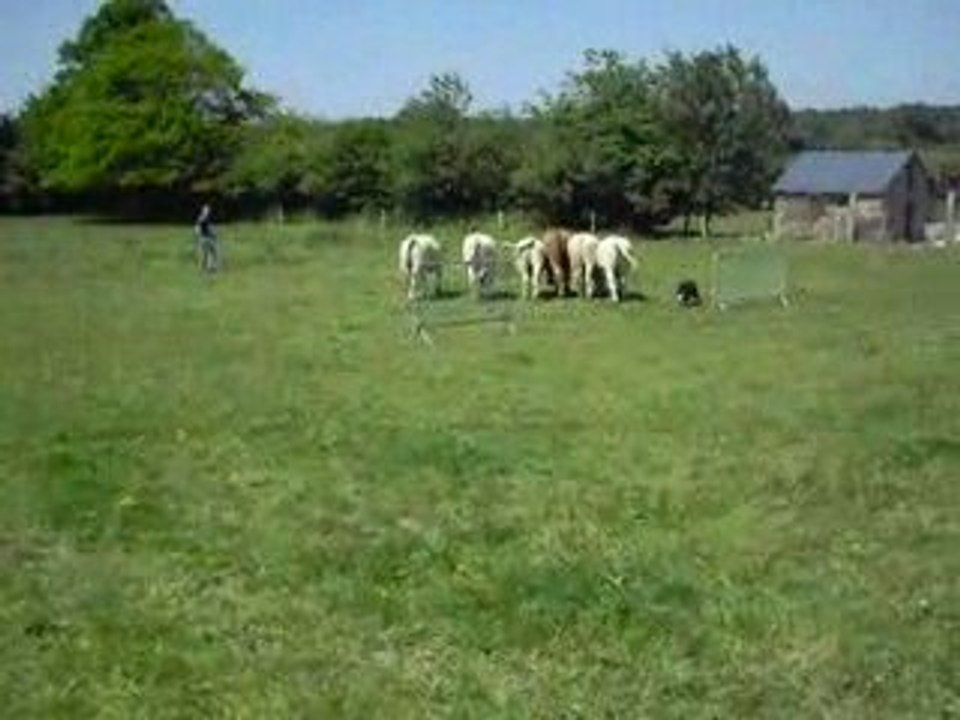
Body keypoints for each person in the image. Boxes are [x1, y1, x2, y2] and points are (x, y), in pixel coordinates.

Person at [195, 203, 219, 273]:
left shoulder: (200, 218)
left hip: (203, 238)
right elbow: (210, 229)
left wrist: (198, 236)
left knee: (206, 254)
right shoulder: (206, 219)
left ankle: (204, 268)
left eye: (208, 210)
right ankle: (210, 268)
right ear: (204, 210)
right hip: (207, 238)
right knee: (211, 253)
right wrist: (214, 234)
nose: (208, 211)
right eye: (206, 210)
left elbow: (196, 229)